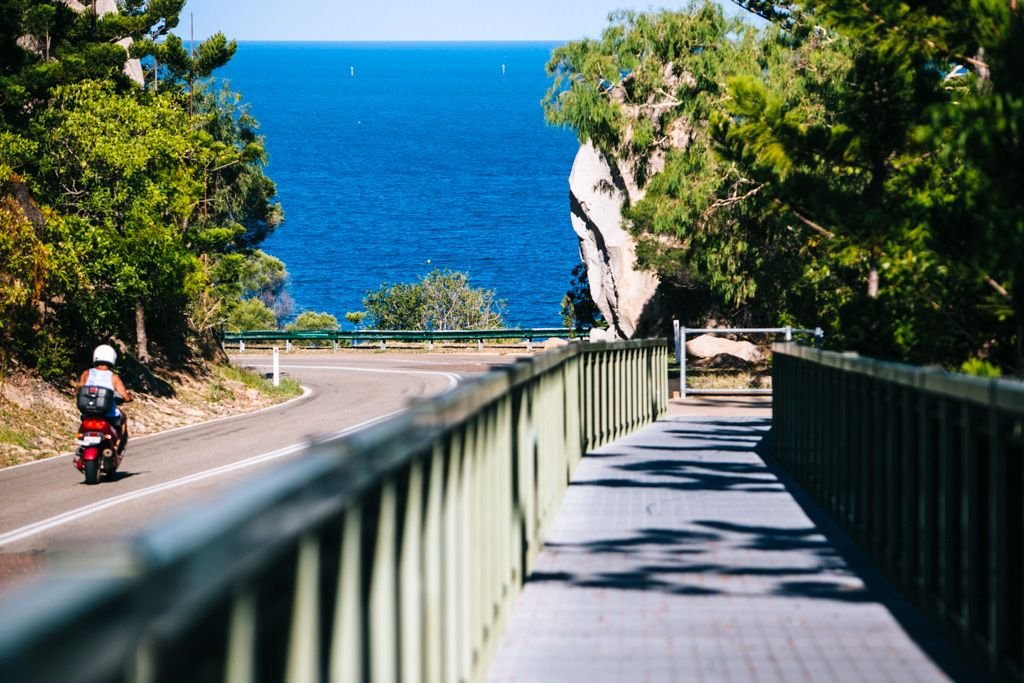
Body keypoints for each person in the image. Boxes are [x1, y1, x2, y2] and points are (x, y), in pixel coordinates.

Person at [78, 344, 133, 453]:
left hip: (87, 413)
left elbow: (79, 389)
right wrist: (129, 398)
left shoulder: (86, 373)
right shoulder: (113, 378)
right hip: (107, 414)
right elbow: (125, 396)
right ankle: (117, 445)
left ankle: (82, 445)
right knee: (122, 419)